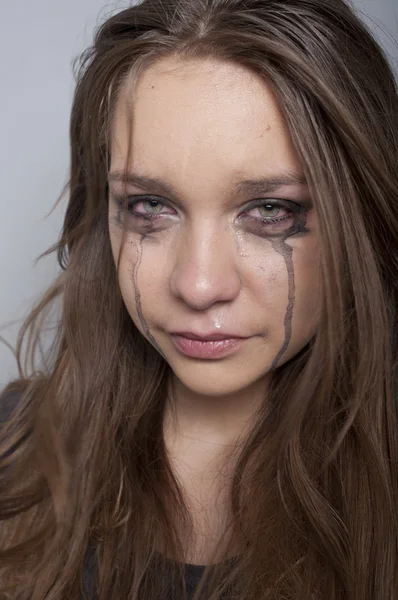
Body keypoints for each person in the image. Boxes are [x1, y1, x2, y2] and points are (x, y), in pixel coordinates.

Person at [0, 0, 397, 598]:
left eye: (271, 210)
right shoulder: (12, 447)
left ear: (361, 214)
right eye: (150, 207)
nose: (199, 284)